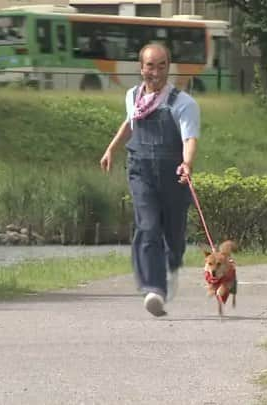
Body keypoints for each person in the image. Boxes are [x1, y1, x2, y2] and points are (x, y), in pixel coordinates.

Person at [99, 43, 200, 317]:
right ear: (141, 68)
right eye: (150, 66)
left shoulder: (183, 102)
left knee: (174, 234)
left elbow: (190, 138)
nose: (155, 72)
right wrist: (111, 149)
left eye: (161, 65)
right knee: (147, 226)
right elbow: (130, 122)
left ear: (169, 67)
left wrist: (187, 163)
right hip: (140, 169)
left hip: (174, 173)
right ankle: (154, 288)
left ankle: (172, 267)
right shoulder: (133, 96)